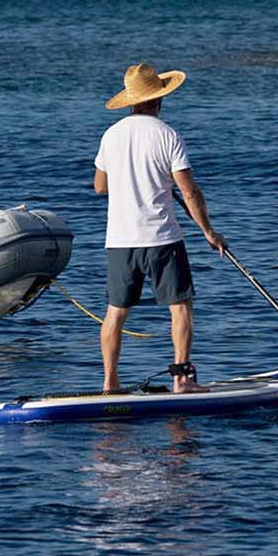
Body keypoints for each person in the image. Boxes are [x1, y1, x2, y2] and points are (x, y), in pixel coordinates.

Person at [94, 62, 227, 394]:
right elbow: (189, 191)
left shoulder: (111, 135)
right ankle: (182, 380)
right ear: (159, 99)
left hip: (120, 241)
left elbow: (100, 186)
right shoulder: (167, 134)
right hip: (162, 238)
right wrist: (209, 232)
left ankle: (110, 382)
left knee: (115, 313)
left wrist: (132, 179)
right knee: (180, 307)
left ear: (131, 100)